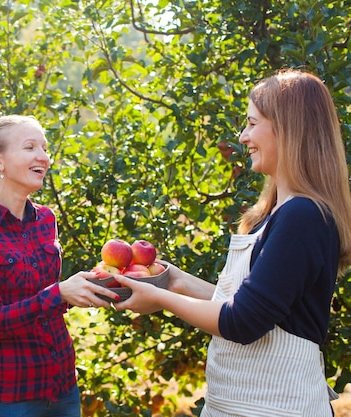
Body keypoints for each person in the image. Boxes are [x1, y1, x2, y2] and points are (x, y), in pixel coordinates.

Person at [114, 69, 351, 416]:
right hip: (240, 404)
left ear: (287, 128)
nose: (243, 136)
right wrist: (177, 280)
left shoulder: (303, 216)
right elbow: (253, 306)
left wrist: (159, 297)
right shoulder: (278, 213)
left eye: (253, 124)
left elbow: (243, 322)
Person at [0, 115, 119, 417]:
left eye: (45, 147)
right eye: (30, 147)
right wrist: (61, 294)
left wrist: (95, 286)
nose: (43, 156)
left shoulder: (46, 219)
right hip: (12, 396)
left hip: (63, 386)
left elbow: (44, 299)